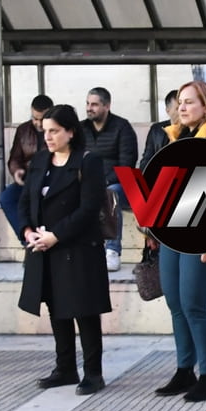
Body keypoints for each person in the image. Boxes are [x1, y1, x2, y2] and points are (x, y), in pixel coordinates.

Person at [151, 80, 206, 403]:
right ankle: (184, 369)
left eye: (189, 102)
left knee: (194, 306)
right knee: (175, 304)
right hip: (173, 231)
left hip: (204, 236)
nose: (182, 107)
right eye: (180, 102)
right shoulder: (177, 137)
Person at [18, 103, 111, 395]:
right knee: (56, 307)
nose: (47, 137)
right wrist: (28, 231)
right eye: (45, 131)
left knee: (84, 310)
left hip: (77, 247)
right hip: (44, 247)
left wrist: (56, 235)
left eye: (54, 131)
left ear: (70, 132)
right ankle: (65, 367)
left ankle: (93, 373)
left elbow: (89, 208)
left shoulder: (88, 161)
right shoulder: (40, 160)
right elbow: (25, 200)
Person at [79, 87, 139, 272]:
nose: (89, 108)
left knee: (110, 193)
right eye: (87, 104)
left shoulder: (122, 127)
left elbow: (127, 166)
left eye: (94, 104)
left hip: (120, 185)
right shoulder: (81, 129)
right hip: (89, 183)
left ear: (107, 106)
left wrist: (101, 182)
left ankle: (112, 251)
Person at [0, 94, 52, 243]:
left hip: (50, 179)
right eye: (35, 118)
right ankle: (27, 239)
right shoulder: (23, 130)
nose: (38, 123)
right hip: (28, 179)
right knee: (6, 197)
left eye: (42, 119)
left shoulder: (56, 130)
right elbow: (14, 158)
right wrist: (17, 171)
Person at [139, 89, 180, 170]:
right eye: (177, 108)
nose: (182, 111)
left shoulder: (193, 129)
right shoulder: (156, 130)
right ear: (168, 111)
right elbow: (146, 160)